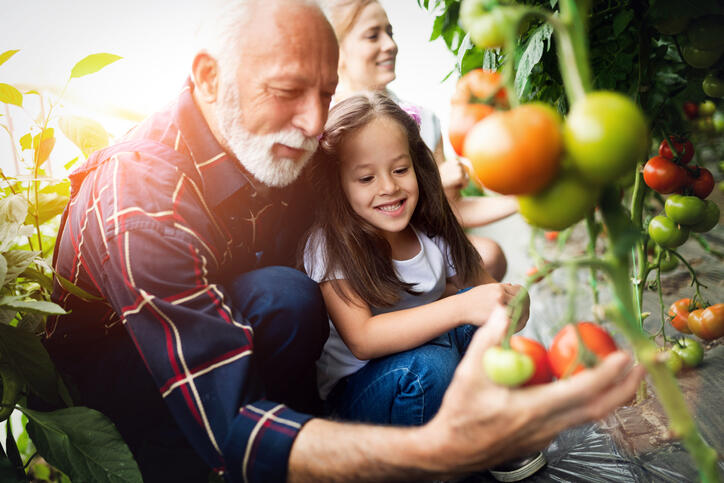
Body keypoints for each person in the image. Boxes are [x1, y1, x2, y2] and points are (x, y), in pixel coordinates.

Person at [42, 1, 645, 482]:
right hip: (139, 377)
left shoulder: (287, 145)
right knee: (302, 330)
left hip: (243, 323)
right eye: (286, 90)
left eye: (325, 92)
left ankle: (322, 428)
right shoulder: (143, 202)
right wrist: (436, 450)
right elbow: (231, 422)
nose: (311, 122)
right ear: (208, 76)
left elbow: (402, 203)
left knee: (285, 296)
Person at [303, 92, 522, 425]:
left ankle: (482, 429)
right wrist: (461, 306)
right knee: (428, 368)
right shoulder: (329, 244)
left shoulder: (431, 229)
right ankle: (421, 464)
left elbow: (488, 294)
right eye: (366, 178)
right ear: (338, 185)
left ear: (416, 165)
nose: (389, 187)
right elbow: (363, 339)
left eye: (400, 169)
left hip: (429, 362)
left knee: (478, 323)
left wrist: (511, 305)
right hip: (362, 393)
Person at [323, 0, 518, 281]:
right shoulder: (325, 128)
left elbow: (454, 210)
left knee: (489, 255)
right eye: (373, 35)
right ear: (337, 51)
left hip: (419, 251)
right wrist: (431, 185)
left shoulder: (424, 120)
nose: (390, 44)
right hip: (361, 262)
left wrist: (524, 201)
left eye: (390, 32)